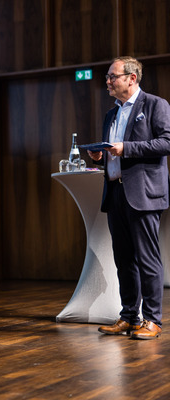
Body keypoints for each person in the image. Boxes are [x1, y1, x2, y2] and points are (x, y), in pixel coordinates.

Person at [88, 56, 170, 340]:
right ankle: (129, 316)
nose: (108, 81)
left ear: (132, 78)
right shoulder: (111, 114)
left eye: (113, 76)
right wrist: (99, 157)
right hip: (116, 192)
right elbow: (114, 154)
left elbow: (166, 142)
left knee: (147, 258)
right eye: (108, 76)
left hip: (143, 193)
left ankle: (153, 319)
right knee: (123, 259)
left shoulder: (155, 105)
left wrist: (127, 148)